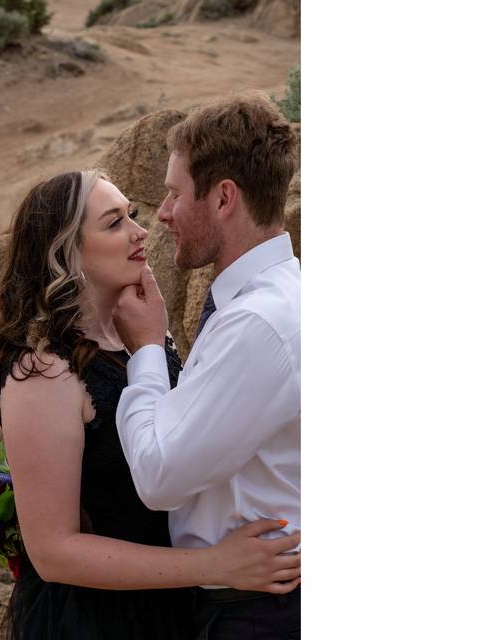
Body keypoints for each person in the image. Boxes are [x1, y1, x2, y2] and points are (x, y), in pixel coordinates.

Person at [0, 169, 301, 639]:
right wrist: (213, 564)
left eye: (133, 215)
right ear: (67, 253)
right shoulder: (42, 374)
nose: (140, 231)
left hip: (178, 605)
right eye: (113, 223)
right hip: (103, 620)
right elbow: (52, 551)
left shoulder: (146, 340)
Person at [113, 93, 301, 639]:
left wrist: (147, 350)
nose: (163, 214)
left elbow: (157, 475)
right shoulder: (273, 301)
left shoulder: (259, 324)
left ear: (223, 198)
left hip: (260, 611)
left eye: (173, 192)